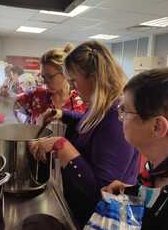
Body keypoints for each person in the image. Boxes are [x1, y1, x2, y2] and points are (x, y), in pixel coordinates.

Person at [29, 40, 139, 227]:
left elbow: (100, 194)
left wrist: (61, 145)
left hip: (98, 218)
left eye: (74, 80)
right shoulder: (100, 107)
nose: (72, 87)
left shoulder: (116, 117)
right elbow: (87, 125)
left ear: (94, 77)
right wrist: (63, 114)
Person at [103, 64, 168, 230]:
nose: (120, 117)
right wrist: (133, 191)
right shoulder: (167, 165)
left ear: (157, 126)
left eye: (125, 110)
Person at [15, 43, 86, 124]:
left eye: (50, 77)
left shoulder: (81, 100)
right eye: (43, 77)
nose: (45, 82)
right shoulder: (36, 95)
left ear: (65, 73)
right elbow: (12, 101)